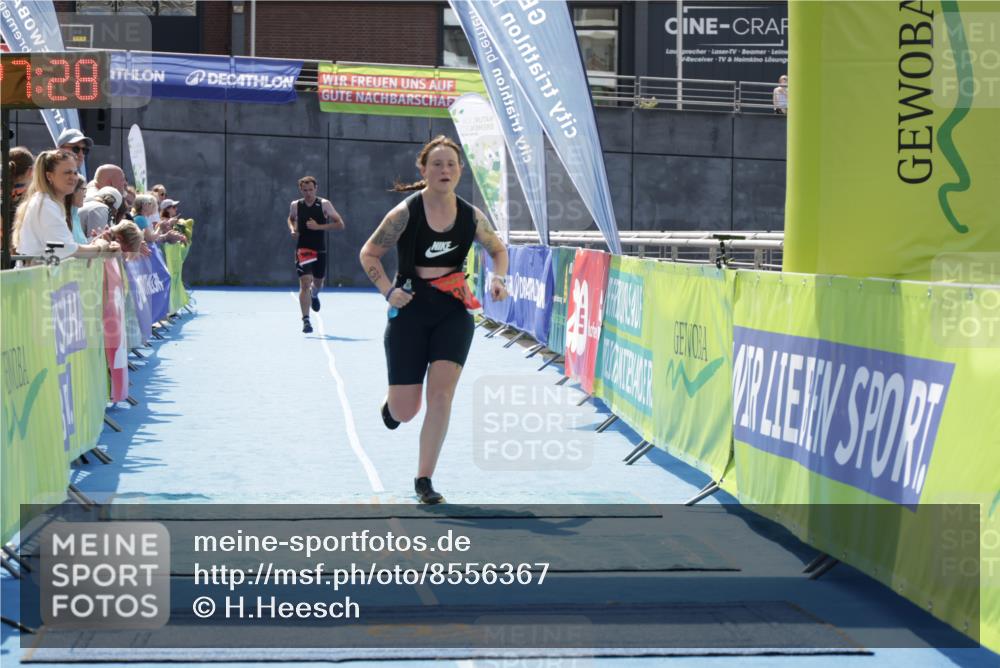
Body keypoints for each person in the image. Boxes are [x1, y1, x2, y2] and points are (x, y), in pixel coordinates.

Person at [358, 136, 509, 504]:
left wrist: (498, 278)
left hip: (453, 311)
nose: (445, 170)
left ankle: (424, 479)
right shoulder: (404, 213)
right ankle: (391, 406)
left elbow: (498, 249)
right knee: (405, 411)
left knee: (441, 396)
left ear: (460, 172)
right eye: (437, 164)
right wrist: (387, 291)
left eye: (452, 164)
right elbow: (369, 254)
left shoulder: (472, 216)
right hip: (410, 308)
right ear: (423, 170)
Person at [11, 150, 119, 261]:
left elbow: (62, 248)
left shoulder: (47, 202)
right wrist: (99, 247)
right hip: (38, 275)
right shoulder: (46, 205)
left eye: (75, 172)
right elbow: (66, 250)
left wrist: (95, 244)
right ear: (49, 176)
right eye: (67, 172)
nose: (73, 177)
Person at [287, 176, 346, 333]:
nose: (308, 193)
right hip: (303, 249)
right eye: (305, 190)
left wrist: (318, 226)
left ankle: (315, 295)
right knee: (305, 283)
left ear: (316, 188)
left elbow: (340, 224)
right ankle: (306, 320)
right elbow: (291, 219)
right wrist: (293, 229)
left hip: (319, 249)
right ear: (301, 190)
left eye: (311, 190)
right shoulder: (296, 205)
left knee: (318, 282)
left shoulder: (324, 204)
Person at [65, 175, 88, 244]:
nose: (85, 195)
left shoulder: (75, 215)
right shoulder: (61, 217)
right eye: (83, 189)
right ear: (72, 190)